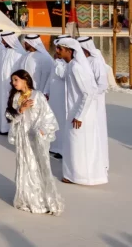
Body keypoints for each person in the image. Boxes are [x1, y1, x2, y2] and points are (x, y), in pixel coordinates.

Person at [5, 70, 64, 215]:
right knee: (26, 165)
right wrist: (21, 109)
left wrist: (43, 130)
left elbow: (48, 116)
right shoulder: (16, 96)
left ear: (25, 80)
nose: (13, 83)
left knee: (39, 165)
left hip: (37, 138)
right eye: (12, 80)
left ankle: (43, 199)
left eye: (16, 80)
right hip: (23, 138)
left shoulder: (38, 96)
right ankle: (27, 198)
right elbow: (9, 116)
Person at [55, 38, 107, 185]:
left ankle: (79, 176)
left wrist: (79, 115)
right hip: (75, 111)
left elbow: (88, 93)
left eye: (60, 49)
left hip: (80, 113)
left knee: (78, 143)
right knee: (75, 144)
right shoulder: (71, 65)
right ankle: (74, 174)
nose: (57, 51)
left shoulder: (77, 67)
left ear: (69, 51)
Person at [78, 37, 110, 172]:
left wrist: (90, 95)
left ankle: (101, 163)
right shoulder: (83, 61)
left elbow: (102, 84)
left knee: (97, 130)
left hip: (95, 102)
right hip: (86, 103)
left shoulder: (96, 61)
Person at [0, 32, 26, 134]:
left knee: (12, 105)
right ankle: (4, 128)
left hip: (13, 85)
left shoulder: (20, 53)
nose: (2, 42)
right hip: (2, 85)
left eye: (4, 40)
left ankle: (11, 130)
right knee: (3, 104)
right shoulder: (6, 51)